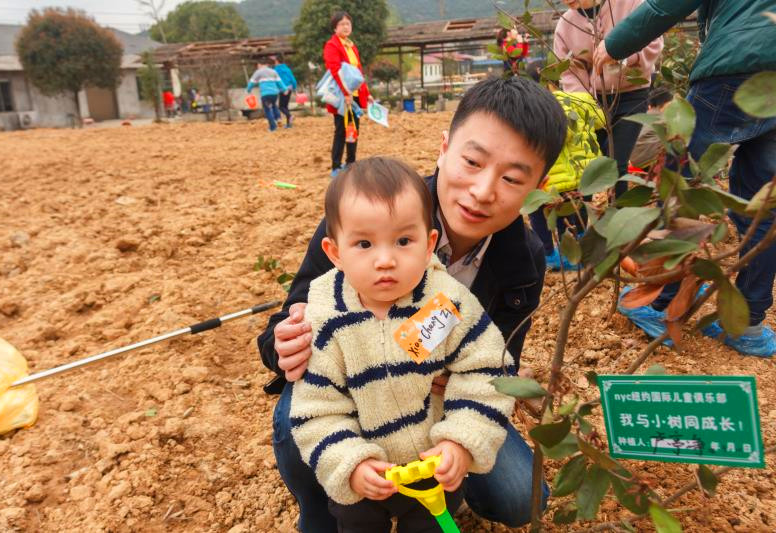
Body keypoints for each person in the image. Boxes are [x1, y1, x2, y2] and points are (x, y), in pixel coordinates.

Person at [257, 76, 568, 532]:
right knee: (297, 418)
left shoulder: (523, 259)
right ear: (444, 148)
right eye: (472, 161)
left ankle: (433, 490)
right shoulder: (367, 213)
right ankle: (324, 507)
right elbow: (291, 316)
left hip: (437, 405)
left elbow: (496, 367)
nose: (483, 191)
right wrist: (282, 343)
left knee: (523, 498)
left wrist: (459, 440)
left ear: (537, 186)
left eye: (512, 178)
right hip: (351, 393)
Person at [290, 157, 515, 531]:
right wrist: (351, 463)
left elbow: (487, 370)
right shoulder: (326, 319)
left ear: (429, 245)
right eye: (364, 243)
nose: (385, 260)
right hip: (365, 477)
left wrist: (460, 441)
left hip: (433, 462)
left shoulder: (445, 302)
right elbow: (318, 410)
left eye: (403, 241)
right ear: (334, 253)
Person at [594, 0, 776, 357]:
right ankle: (748, 322)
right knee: (762, 201)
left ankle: (658, 302)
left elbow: (666, 5)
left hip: (733, 69)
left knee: (679, 185)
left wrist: (613, 43)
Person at [554, 0, 663, 196]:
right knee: (590, 164)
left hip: (632, 95)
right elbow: (569, 71)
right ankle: (587, 220)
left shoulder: (631, 5)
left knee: (616, 163)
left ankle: (616, 216)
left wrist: (620, 53)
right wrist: (585, 101)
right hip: (592, 103)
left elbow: (653, 41)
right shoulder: (565, 24)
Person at [525, 59, 605, 271]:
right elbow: (602, 120)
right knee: (578, 212)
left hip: (556, 178)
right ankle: (577, 252)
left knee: (538, 209)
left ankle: (549, 254)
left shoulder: (537, 107)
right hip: (586, 173)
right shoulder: (580, 99)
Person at [324, 11, 374, 178]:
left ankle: (351, 162)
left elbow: (358, 73)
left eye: (348, 24)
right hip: (341, 96)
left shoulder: (352, 46)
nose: (346, 27)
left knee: (353, 129)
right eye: (342, 24)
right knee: (340, 129)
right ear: (335, 28)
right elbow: (335, 70)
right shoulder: (332, 46)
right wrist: (346, 93)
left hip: (355, 95)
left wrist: (366, 94)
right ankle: (336, 166)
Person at [628, 86, 673, 171]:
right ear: (667, 103)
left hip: (633, 161)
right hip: (650, 163)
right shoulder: (664, 118)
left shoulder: (642, 117)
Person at [246, 58, 288, 132]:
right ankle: (278, 118)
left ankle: (273, 127)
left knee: (268, 110)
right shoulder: (273, 71)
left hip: (265, 94)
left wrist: (248, 90)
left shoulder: (258, 72)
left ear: (260, 65)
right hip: (274, 94)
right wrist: (284, 89)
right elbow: (279, 82)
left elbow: (252, 82)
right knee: (274, 105)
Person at [272, 54, 298, 128]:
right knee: (285, 106)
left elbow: (275, 80)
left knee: (281, 107)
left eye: (275, 61)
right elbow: (293, 80)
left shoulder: (276, 70)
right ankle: (289, 124)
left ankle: (290, 116)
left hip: (283, 89)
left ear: (277, 61)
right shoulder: (287, 69)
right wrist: (295, 89)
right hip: (290, 88)